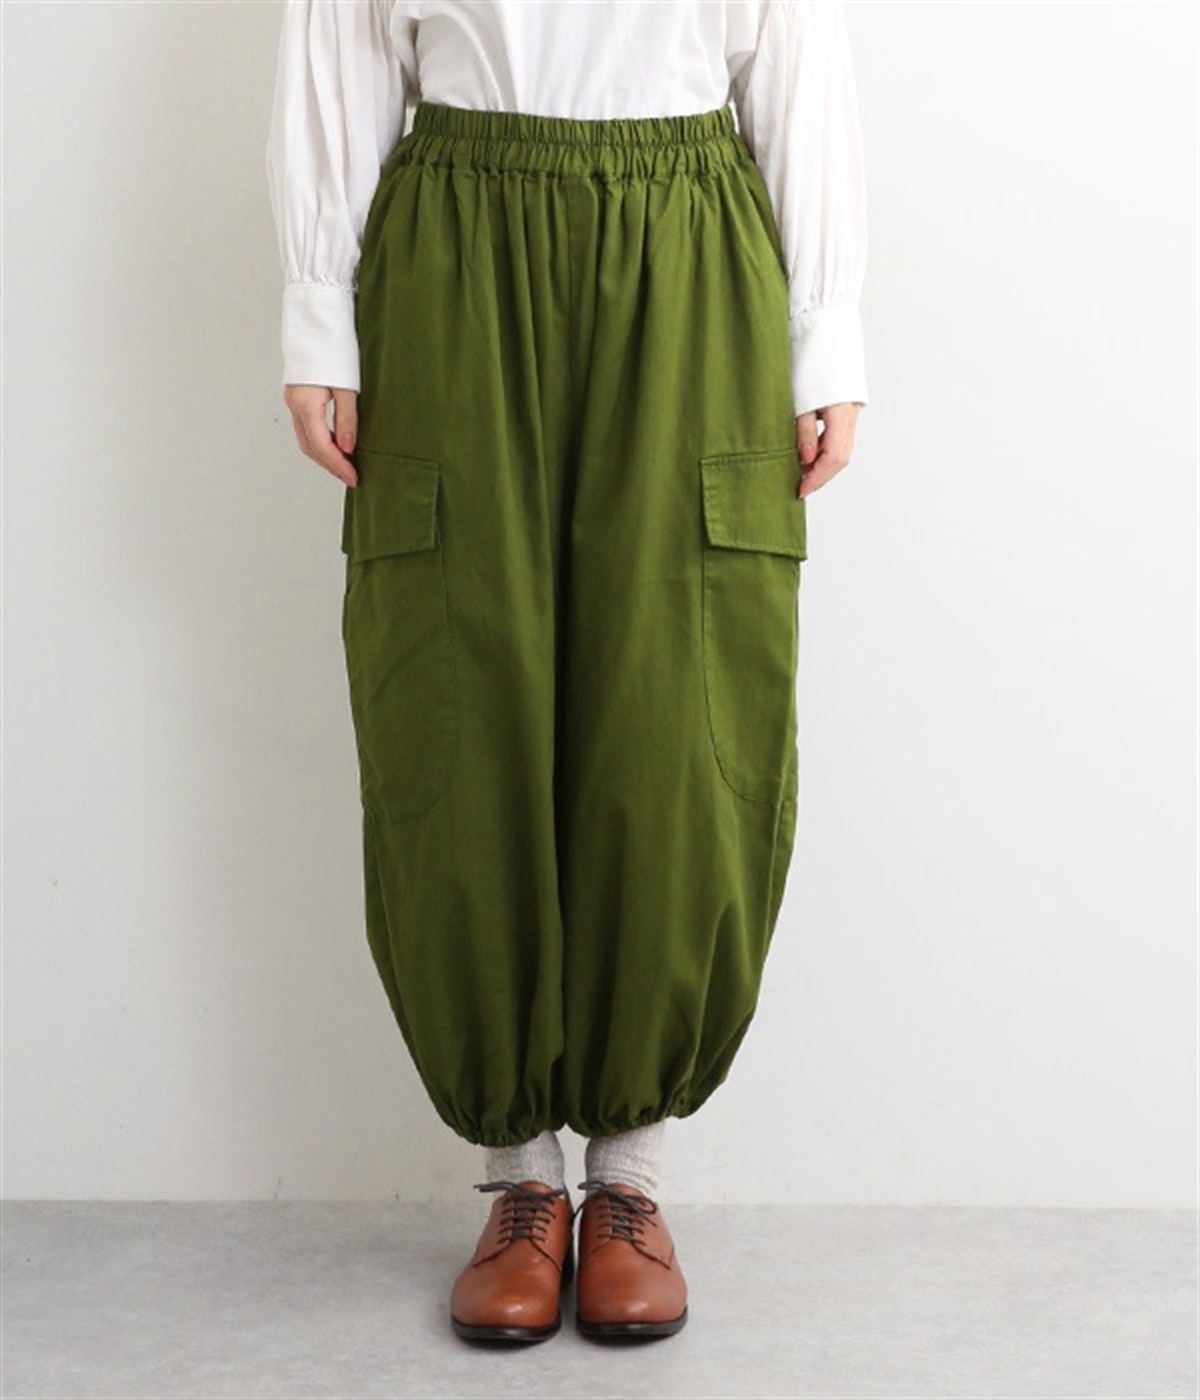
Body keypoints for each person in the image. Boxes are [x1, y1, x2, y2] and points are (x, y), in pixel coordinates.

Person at [266, 0, 868, 1346]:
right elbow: (342, 41)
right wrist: (317, 314)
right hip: (454, 239)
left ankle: (632, 1179)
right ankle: (522, 1181)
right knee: (457, 691)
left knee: (679, 708)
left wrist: (827, 329)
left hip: (690, 236)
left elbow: (796, 50)